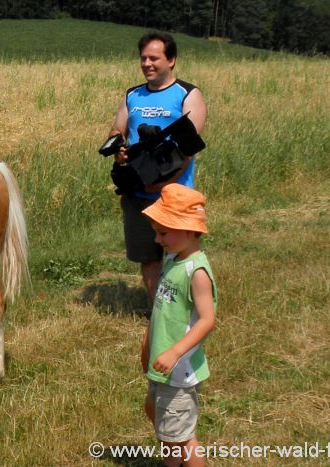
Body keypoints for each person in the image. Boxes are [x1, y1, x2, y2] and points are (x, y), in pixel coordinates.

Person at [107, 31, 207, 302]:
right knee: (148, 258)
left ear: (171, 59)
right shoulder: (133, 95)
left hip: (175, 193)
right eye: (143, 58)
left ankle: (188, 308)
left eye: (154, 58)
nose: (147, 64)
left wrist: (162, 183)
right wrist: (118, 150)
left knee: (181, 256)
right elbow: (118, 129)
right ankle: (159, 310)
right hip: (138, 193)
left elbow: (187, 149)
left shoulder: (188, 94)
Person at [139, 183, 217, 467]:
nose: (157, 240)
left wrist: (174, 352)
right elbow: (163, 309)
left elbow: (207, 320)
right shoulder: (173, 260)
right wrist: (149, 341)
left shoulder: (196, 271)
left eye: (163, 232)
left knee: (175, 442)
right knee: (175, 433)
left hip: (178, 371)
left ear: (186, 229)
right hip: (162, 367)